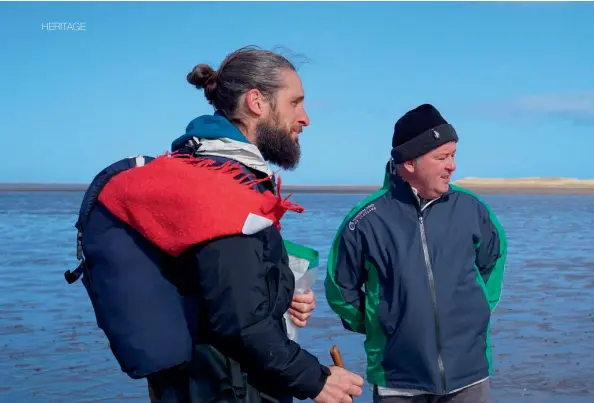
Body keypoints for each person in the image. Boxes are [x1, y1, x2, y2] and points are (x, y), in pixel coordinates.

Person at [68, 46, 363, 403]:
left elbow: (218, 289)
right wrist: (316, 380)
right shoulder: (222, 190)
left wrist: (280, 296)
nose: (305, 118)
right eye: (295, 103)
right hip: (224, 388)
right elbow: (240, 325)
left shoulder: (203, 170)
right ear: (257, 102)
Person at [324, 104, 507, 403]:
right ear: (410, 163)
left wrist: (475, 312)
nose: (453, 166)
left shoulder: (472, 209)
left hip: (469, 374)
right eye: (442, 157)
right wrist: (382, 324)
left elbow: (493, 261)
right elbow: (340, 289)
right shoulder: (365, 220)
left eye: (453, 155)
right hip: (398, 379)